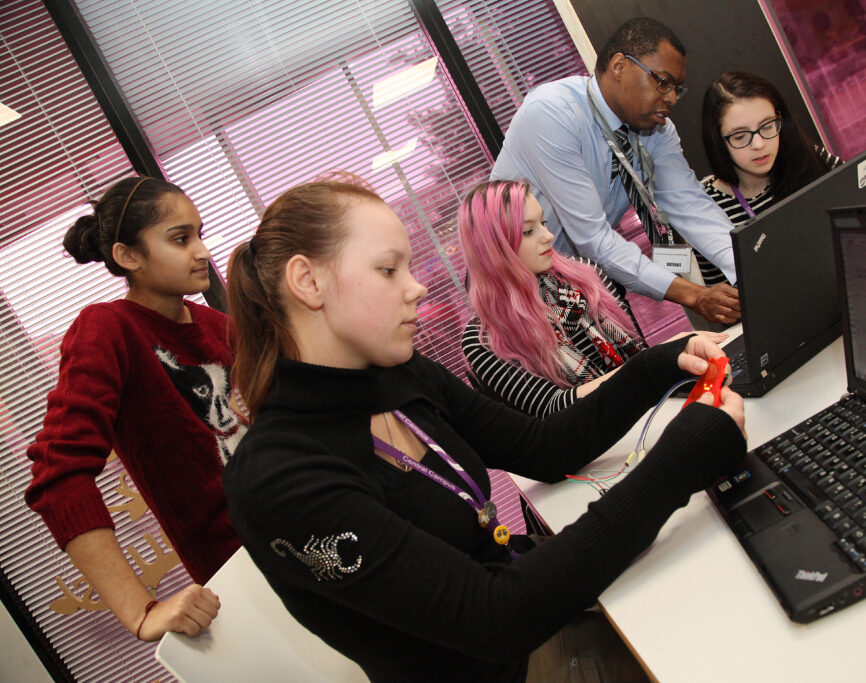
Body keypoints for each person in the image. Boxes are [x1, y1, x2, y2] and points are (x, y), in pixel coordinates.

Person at [222, 177, 747, 681]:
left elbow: (544, 448)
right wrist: (680, 461)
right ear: (308, 282)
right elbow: (496, 617)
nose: (416, 287)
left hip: (545, 614)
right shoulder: (278, 479)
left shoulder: (398, 376)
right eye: (388, 270)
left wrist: (659, 365)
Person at [25, 177, 243, 642]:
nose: (202, 252)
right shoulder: (108, 329)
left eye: (200, 234)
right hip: (241, 576)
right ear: (128, 256)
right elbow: (58, 475)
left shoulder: (220, 326)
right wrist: (140, 612)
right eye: (181, 239)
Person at [491, 17, 742, 330]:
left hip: (584, 278)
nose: (672, 98)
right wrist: (694, 295)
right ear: (620, 66)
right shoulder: (552, 113)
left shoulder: (658, 131)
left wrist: (749, 271)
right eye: (663, 82)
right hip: (517, 291)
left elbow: (691, 206)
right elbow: (593, 237)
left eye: (677, 89)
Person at [459, 179, 646, 418]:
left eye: (543, 223)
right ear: (493, 247)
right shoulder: (484, 339)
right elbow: (553, 408)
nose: (548, 235)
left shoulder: (586, 277)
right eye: (528, 231)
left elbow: (639, 351)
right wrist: (645, 368)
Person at [700, 71, 866, 223]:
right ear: (718, 140)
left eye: (767, 126)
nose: (759, 144)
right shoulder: (708, 206)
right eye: (740, 136)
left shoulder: (806, 158)